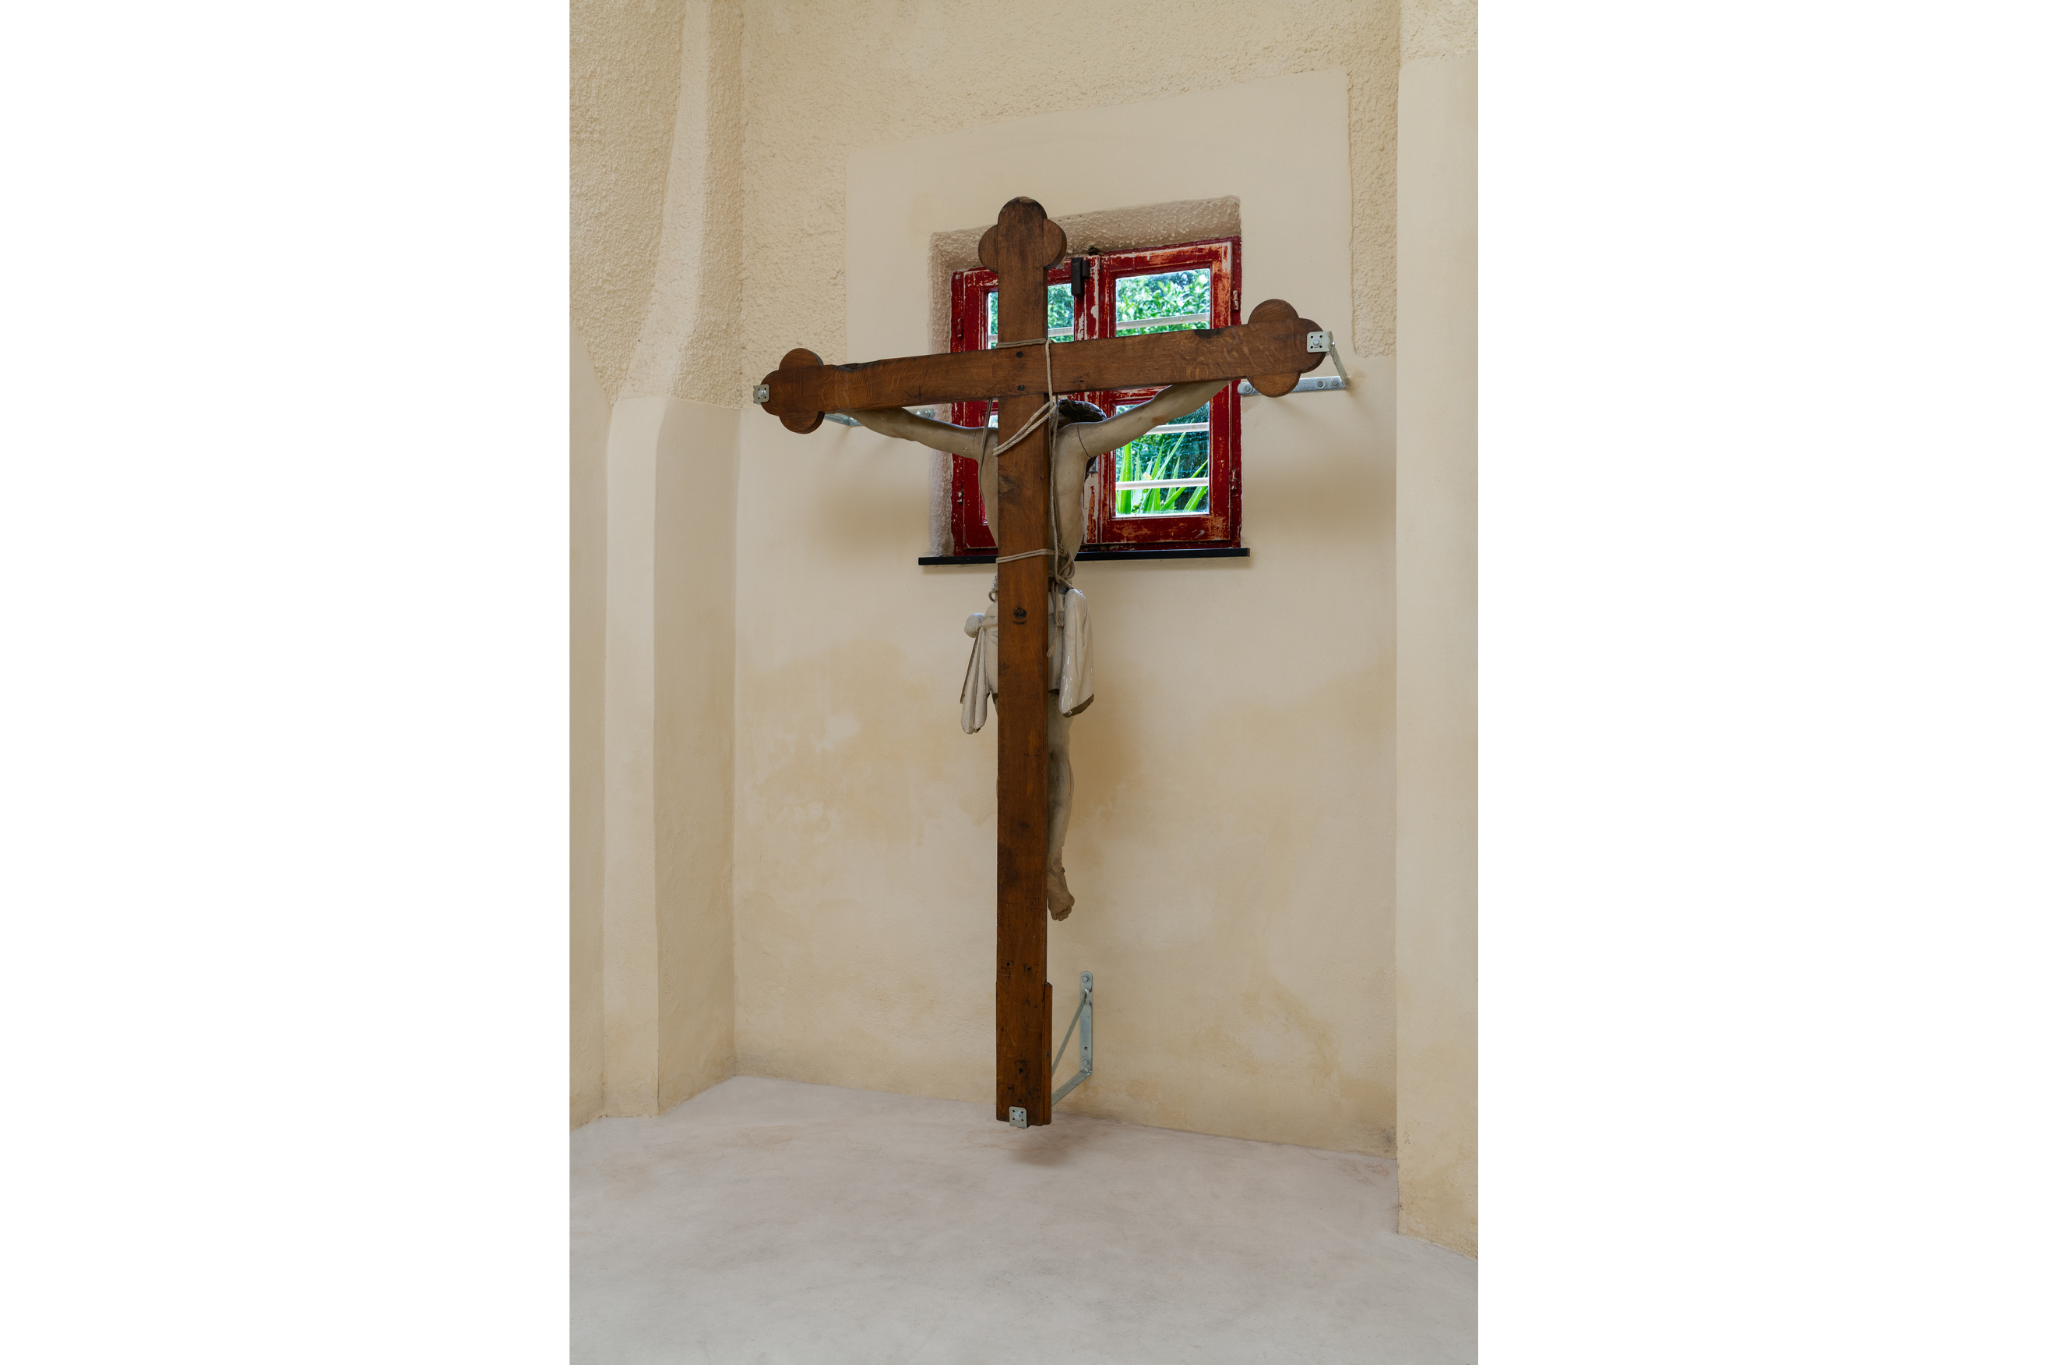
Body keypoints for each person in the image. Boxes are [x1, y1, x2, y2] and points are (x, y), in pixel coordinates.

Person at [838, 381, 1226, 919]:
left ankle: (1026, 863)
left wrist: (844, 398)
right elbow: (1159, 411)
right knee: (1055, 753)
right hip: (1051, 622)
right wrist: (1227, 371)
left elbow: (906, 426)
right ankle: (1051, 864)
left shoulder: (990, 445)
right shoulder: (1076, 445)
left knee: (1017, 750)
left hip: (1002, 622)